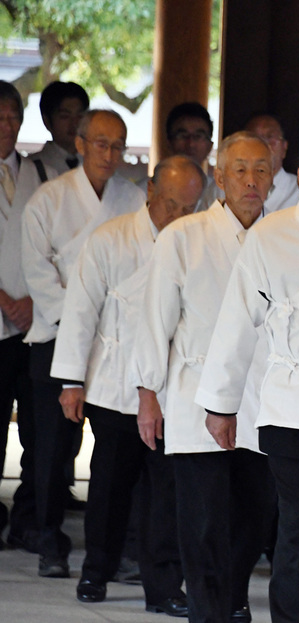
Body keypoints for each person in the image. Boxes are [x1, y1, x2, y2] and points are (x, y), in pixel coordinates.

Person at [197, 128, 299, 623]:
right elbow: (236, 323)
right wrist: (221, 405)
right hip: (293, 409)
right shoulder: (272, 237)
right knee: (298, 530)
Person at [131, 132, 277, 623]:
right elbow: (156, 319)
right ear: (219, 177)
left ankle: (229, 597)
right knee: (203, 521)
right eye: (240, 170)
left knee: (255, 516)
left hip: (261, 398)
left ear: (275, 177)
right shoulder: (183, 237)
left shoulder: (280, 239)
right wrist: (148, 392)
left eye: (261, 169)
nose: (251, 180)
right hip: (196, 395)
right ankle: (210, 610)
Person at [49, 155, 204, 614]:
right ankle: (96, 570)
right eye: (172, 204)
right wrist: (72, 381)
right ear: (151, 190)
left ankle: (163, 586)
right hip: (116, 384)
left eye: (188, 208)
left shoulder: (198, 242)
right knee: (111, 484)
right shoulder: (111, 238)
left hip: (172, 387)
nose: (179, 216)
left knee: (167, 492)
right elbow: (80, 311)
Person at [21, 109, 145, 577]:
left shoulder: (133, 198)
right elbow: (38, 272)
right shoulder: (48, 200)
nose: (109, 154)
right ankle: (50, 540)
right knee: (53, 448)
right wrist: (80, 319)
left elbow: (140, 270)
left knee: (118, 451)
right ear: (79, 143)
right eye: (100, 144)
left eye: (118, 145)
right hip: (58, 337)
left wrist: (105, 319)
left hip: (116, 340)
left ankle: (117, 548)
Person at [0, 81, 49, 553]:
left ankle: (30, 517)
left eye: (13, 117)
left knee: (37, 429)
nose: (6, 126)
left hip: (34, 323)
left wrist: (33, 301)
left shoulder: (40, 173)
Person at [163, 102, 219, 210]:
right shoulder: (145, 191)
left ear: (210, 146)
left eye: (198, 136)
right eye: (182, 135)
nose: (190, 143)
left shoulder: (217, 193)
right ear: (169, 142)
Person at [243, 113, 299, 213]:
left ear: (284, 147)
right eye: (255, 139)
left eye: (270, 137)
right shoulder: (227, 188)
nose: (263, 145)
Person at [29, 81, 89, 178]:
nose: (74, 124)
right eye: (65, 116)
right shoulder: (31, 166)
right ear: (46, 121)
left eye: (80, 116)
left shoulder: (96, 161)